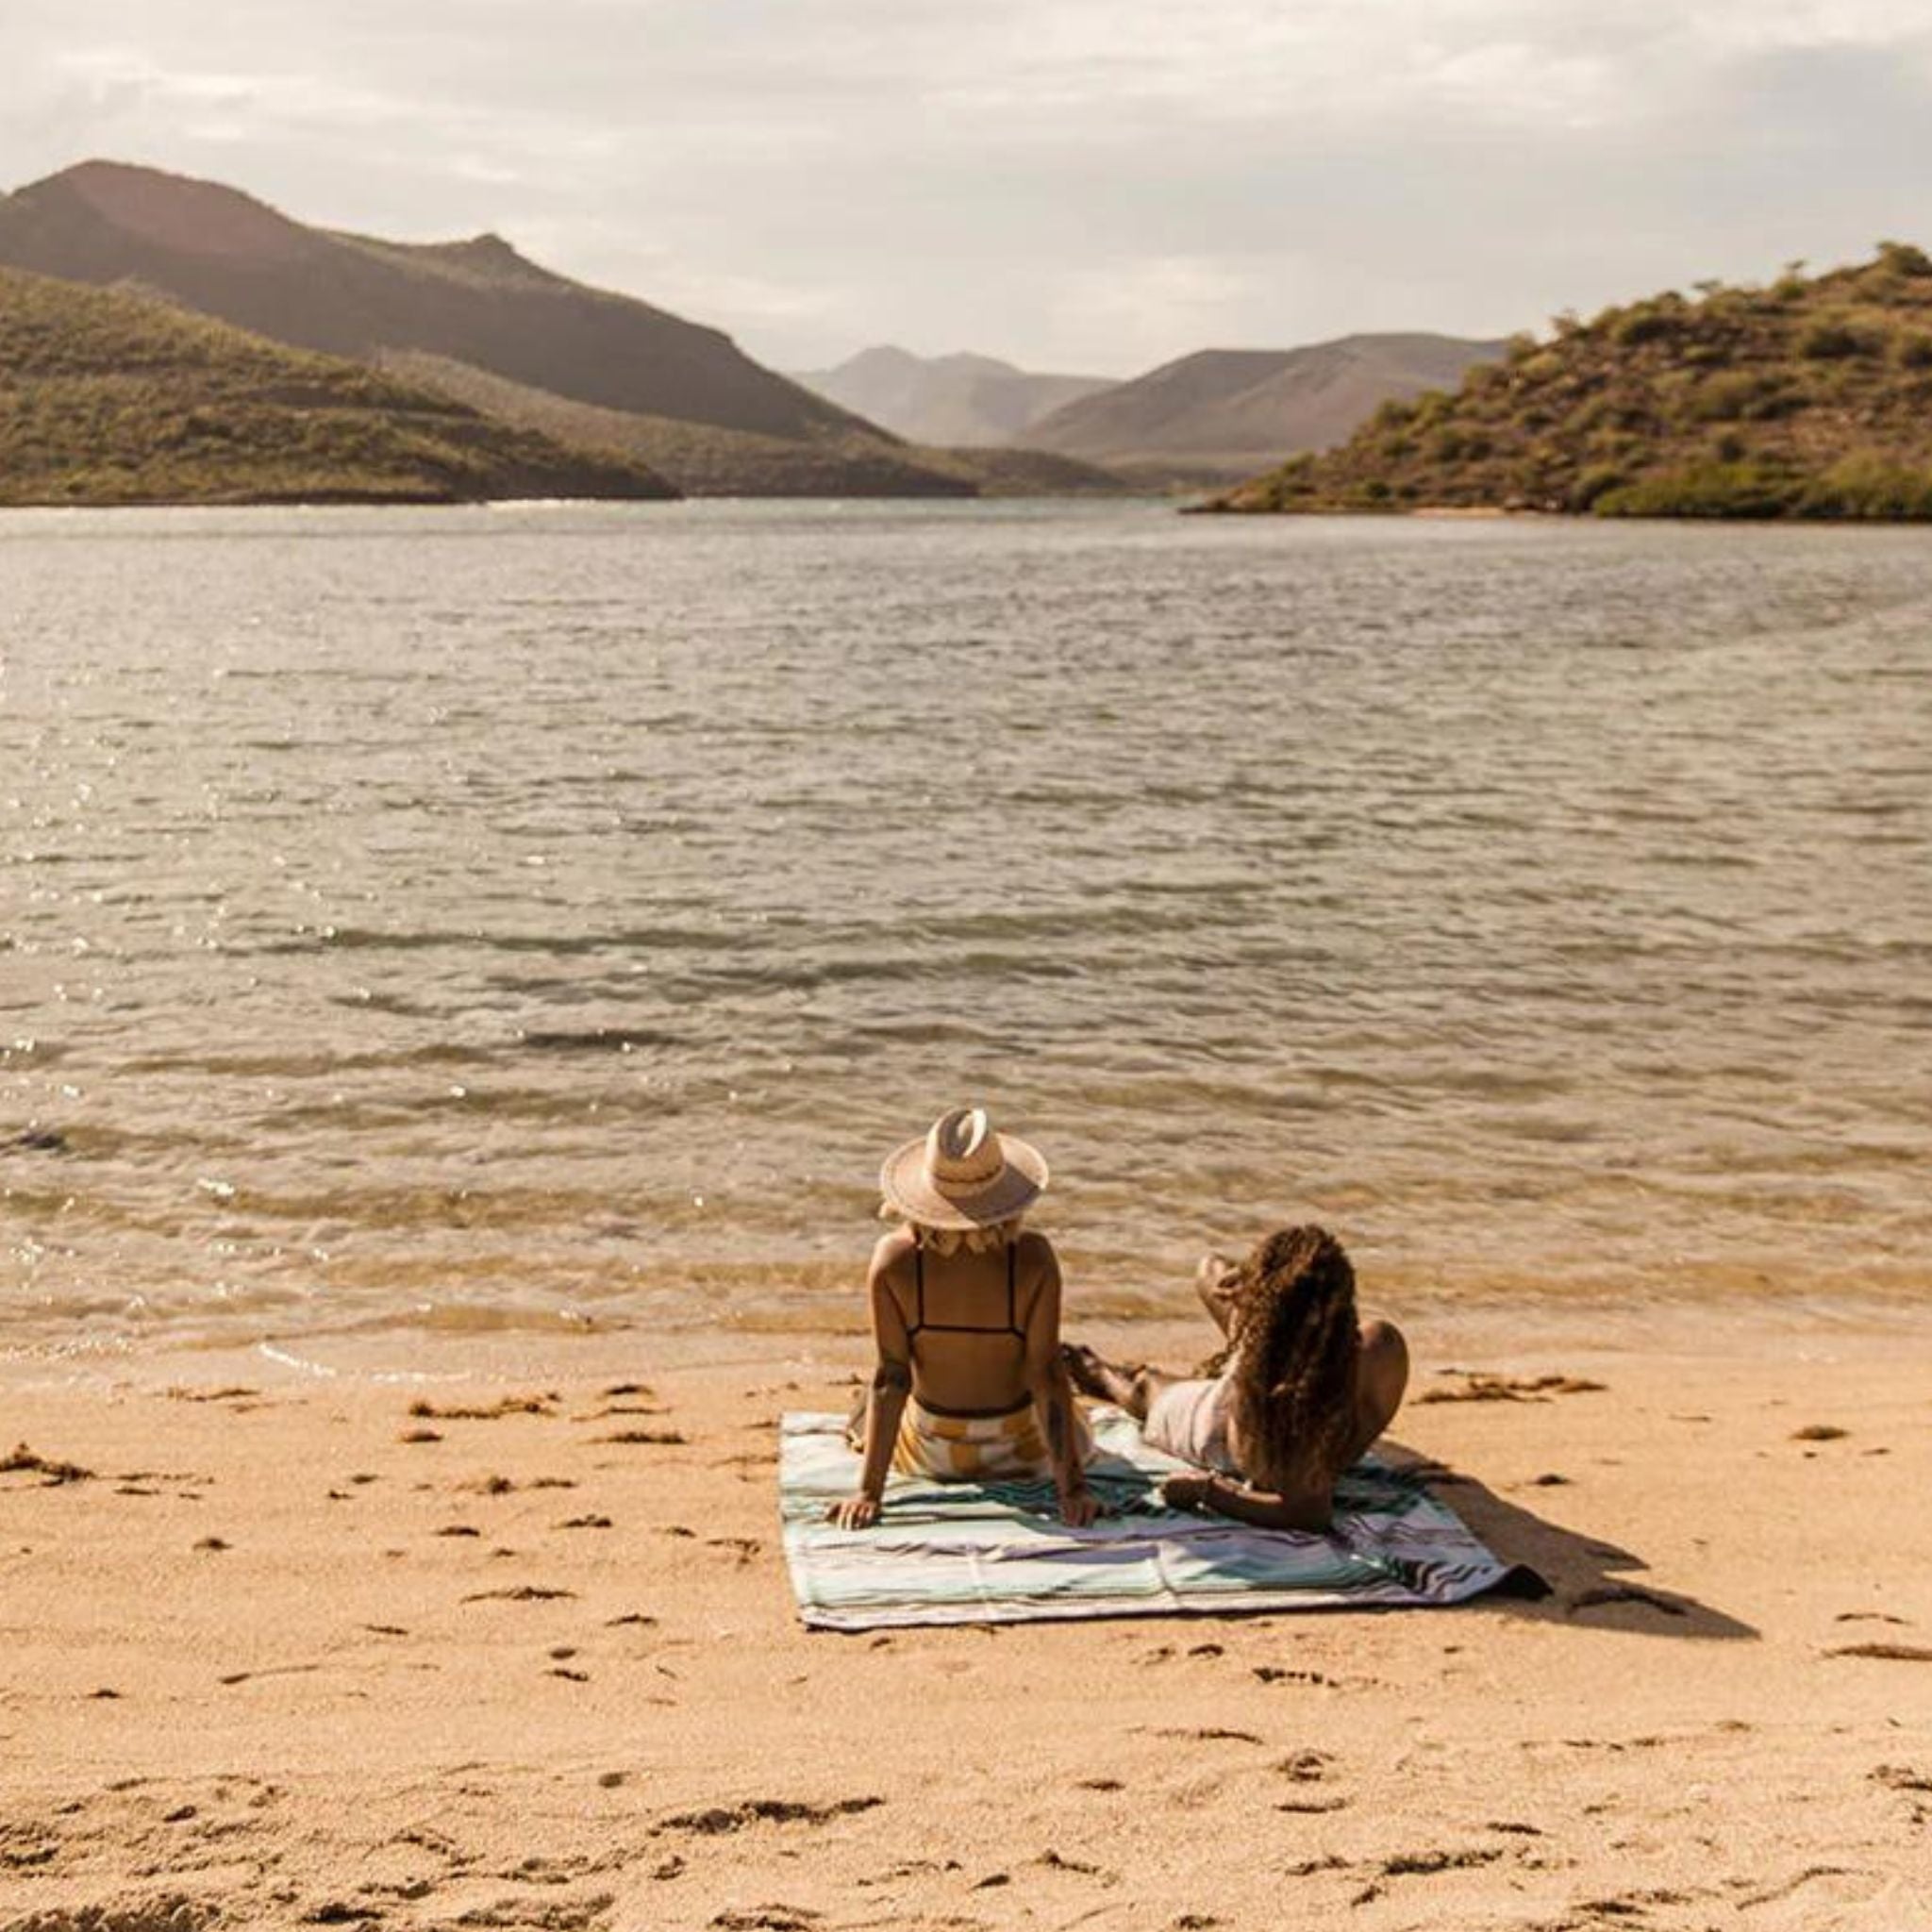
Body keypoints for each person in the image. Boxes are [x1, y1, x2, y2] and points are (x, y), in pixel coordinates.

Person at [827, 1106, 1098, 1531]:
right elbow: (1046, 1375)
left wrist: (868, 1493)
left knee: (867, 1401)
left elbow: (891, 1379)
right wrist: (1072, 1489)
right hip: (1021, 1451)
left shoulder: (893, 1262)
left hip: (934, 1454)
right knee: (1078, 1414)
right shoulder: (1033, 1261)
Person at [1062, 1224, 1407, 1532]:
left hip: (1223, 1432)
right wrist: (1253, 1281)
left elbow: (1308, 1514)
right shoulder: (1376, 1348)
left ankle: (1100, 1375)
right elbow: (1209, 1268)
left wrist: (1207, 1491)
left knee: (1147, 1386)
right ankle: (1214, 1355)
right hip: (1273, 1375)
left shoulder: (1282, 1404)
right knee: (1211, 1271)